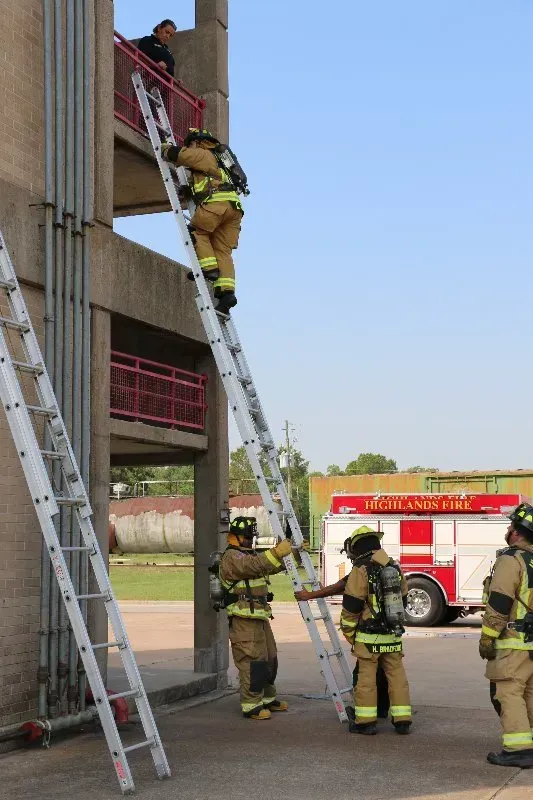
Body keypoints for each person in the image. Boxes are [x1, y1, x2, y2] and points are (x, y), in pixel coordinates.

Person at [219, 516, 297, 719]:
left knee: (270, 658)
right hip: (243, 618)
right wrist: (276, 551)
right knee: (252, 662)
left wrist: (294, 553)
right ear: (235, 537)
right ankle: (251, 705)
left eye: (251, 536)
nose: (249, 540)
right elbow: (253, 566)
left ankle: (268, 699)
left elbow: (269, 565)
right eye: (246, 536)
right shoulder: (232, 557)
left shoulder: (250, 555)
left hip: (259, 616)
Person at [339, 525, 412, 735]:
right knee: (397, 677)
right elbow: (403, 599)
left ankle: (366, 722)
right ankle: (403, 720)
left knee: (366, 680)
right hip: (393, 634)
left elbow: (351, 606)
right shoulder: (394, 567)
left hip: (368, 637)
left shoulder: (361, 570)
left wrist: (350, 634)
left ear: (357, 547)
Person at [162, 128, 243, 314]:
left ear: (197, 142)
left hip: (217, 205)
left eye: (189, 144)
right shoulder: (220, 161)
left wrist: (165, 148)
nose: (189, 147)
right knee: (222, 250)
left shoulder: (203, 153)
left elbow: (180, 156)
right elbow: (208, 182)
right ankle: (226, 294)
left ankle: (209, 269)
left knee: (197, 232)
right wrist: (189, 192)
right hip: (233, 209)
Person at [479, 503, 533, 767]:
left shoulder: (511, 560)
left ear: (516, 533)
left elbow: (500, 601)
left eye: (510, 525)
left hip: (513, 642)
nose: (508, 528)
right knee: (530, 693)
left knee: (508, 692)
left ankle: (519, 749)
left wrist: (487, 637)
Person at [296, 577, 390, 720]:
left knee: (363, 677)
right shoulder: (385, 568)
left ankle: (365, 716)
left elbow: (342, 586)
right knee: (383, 672)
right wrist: (322, 591)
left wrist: (309, 595)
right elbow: (350, 589)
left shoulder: (361, 568)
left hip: (370, 633)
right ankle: (382, 710)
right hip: (388, 632)